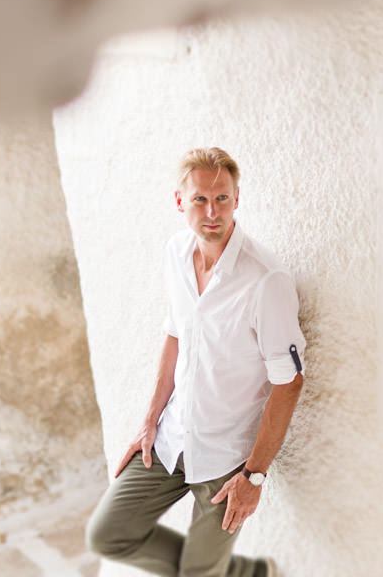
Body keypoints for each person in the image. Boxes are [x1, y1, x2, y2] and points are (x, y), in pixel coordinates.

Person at [86, 147, 305, 577]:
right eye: (201, 199)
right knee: (107, 534)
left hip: (225, 462)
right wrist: (149, 420)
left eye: (222, 198)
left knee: (196, 574)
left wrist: (254, 478)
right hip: (170, 441)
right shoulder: (175, 253)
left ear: (237, 199)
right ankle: (242, 573)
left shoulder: (266, 280)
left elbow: (290, 382)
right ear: (180, 201)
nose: (212, 211)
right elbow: (175, 333)